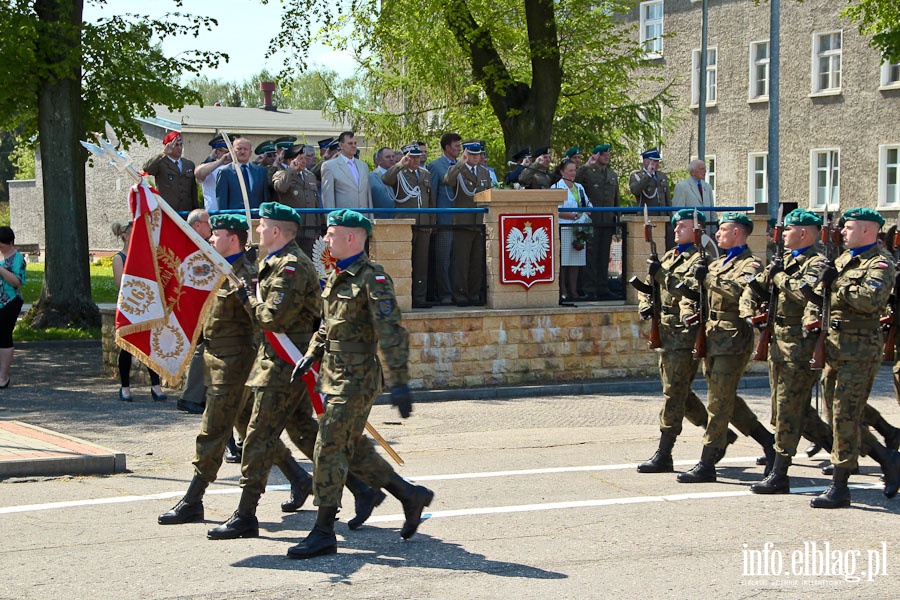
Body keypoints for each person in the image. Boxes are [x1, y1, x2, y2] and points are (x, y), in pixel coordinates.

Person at [207, 202, 383, 540]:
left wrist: (248, 298)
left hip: (283, 364)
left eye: (261, 227)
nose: (256, 231)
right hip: (281, 361)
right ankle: (362, 488)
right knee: (303, 431)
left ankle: (246, 515)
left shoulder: (290, 267)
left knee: (259, 437)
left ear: (275, 231)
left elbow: (273, 319)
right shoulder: (273, 263)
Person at [287, 209, 435, 559]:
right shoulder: (338, 276)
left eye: (331, 233)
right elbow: (327, 327)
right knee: (349, 448)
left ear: (351, 238)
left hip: (356, 379)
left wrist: (400, 382)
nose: (325, 239)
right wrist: (311, 354)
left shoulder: (373, 279)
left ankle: (323, 531)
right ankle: (408, 495)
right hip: (334, 375)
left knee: (329, 448)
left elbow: (391, 332)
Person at [158, 214, 313, 525]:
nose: (211, 240)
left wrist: (256, 366)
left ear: (233, 239)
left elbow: (261, 324)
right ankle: (298, 476)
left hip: (235, 365)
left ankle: (193, 499)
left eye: (217, 235)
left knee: (214, 430)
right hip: (215, 360)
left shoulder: (247, 275)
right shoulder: (214, 269)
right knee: (246, 429)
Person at [805, 208, 900, 508]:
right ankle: (887, 458)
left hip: (859, 350)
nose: (843, 232)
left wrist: (837, 283)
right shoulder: (844, 259)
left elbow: (869, 301)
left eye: (849, 227)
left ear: (867, 231)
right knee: (838, 415)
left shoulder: (882, 264)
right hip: (834, 346)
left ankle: (840, 485)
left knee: (845, 415)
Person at [636, 210, 739, 473]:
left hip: (684, 332)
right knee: (677, 390)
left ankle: (664, 452)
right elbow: (650, 287)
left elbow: (688, 289)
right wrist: (646, 303)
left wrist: (661, 275)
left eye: (683, 226)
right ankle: (718, 433)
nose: (677, 230)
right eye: (675, 226)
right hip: (665, 330)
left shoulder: (700, 260)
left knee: (674, 392)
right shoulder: (669, 257)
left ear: (696, 231)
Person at [677, 213, 776, 484]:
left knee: (718, 401)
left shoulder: (751, 264)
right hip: (712, 337)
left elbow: (742, 292)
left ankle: (708, 459)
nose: (717, 234)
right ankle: (769, 442)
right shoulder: (719, 263)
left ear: (737, 233)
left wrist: (708, 279)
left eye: (722, 230)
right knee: (725, 398)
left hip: (733, 338)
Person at [745, 209, 834, 494]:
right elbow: (755, 288)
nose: (783, 234)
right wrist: (750, 307)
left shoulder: (817, 263)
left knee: (787, 409)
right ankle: (864, 453)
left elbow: (802, 292)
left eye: (788, 230)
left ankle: (780, 471)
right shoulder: (784, 262)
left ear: (804, 233)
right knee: (790, 410)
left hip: (800, 343)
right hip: (778, 341)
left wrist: (780, 277)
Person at [111, 221, 166, 402]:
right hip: (129, 307)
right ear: (126, 236)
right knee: (127, 348)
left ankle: (155, 385)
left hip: (147, 306)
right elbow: (121, 284)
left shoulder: (146, 255)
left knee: (150, 346)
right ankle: (125, 387)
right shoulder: (119, 258)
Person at [383, 143, 434, 308]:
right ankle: (403, 297)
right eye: (412, 157)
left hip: (423, 224)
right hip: (405, 224)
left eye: (418, 157)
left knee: (421, 263)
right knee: (404, 262)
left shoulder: (425, 174)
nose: (416, 160)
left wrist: (431, 222)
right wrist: (400, 164)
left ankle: (420, 298)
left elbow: (431, 201)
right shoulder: (399, 173)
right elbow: (386, 179)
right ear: (406, 157)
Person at [444, 141, 492, 306]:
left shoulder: (485, 172)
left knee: (477, 262)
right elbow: (448, 181)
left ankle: (474, 294)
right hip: (463, 222)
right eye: (471, 154)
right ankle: (461, 295)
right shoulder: (459, 170)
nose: (475, 157)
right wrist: (460, 162)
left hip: (479, 222)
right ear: (466, 154)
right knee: (462, 262)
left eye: (477, 154)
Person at [176, 209, 213, 415]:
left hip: (204, 303)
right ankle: (190, 397)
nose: (211, 227)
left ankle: (198, 396)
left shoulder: (202, 245)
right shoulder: (189, 245)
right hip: (194, 305)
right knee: (203, 348)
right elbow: (195, 272)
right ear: (197, 225)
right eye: (207, 223)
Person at [575, 144, 620, 300]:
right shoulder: (587, 173)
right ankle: (589, 288)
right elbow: (574, 181)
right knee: (591, 256)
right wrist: (587, 165)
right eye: (603, 154)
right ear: (595, 156)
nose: (606, 157)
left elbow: (616, 200)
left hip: (607, 221)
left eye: (608, 154)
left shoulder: (612, 174)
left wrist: (616, 219)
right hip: (592, 221)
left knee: (603, 255)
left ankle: (603, 286)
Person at [427, 132, 463, 305]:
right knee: (443, 259)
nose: (459, 150)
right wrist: (433, 219)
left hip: (460, 219)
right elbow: (432, 193)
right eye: (456, 147)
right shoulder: (435, 166)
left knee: (458, 259)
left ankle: (458, 291)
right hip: (444, 220)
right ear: (447, 148)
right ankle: (444, 293)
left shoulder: (463, 165)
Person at [272, 145, 323, 258]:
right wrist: (291, 170)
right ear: (291, 160)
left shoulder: (310, 176)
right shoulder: (281, 174)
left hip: (310, 229)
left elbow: (316, 203)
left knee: (310, 264)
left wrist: (318, 226)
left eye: (304, 158)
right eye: (300, 159)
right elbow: (281, 187)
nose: (304, 161)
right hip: (292, 230)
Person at [552, 159, 590, 302]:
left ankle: (574, 290)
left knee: (575, 260)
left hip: (579, 228)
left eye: (574, 170)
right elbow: (555, 209)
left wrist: (586, 213)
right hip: (565, 226)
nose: (573, 173)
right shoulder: (556, 187)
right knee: (563, 260)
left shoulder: (579, 187)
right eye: (570, 170)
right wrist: (574, 215)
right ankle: (563, 290)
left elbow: (587, 204)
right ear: (562, 172)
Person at [143, 131, 198, 213]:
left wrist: (195, 210)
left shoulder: (188, 164)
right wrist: (163, 153)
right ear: (168, 146)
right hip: (168, 212)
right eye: (176, 145)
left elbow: (193, 190)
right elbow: (147, 169)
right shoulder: (161, 163)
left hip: (186, 211)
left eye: (181, 144)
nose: (179, 148)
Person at [0, 226, 25, 389]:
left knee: (4, 336)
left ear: (10, 242)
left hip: (10, 301)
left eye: (2, 244)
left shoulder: (17, 259)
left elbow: (17, 281)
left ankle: (3, 377)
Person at [321, 131, 373, 210]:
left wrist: (371, 217)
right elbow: (328, 199)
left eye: (355, 143)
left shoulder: (363, 166)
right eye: (350, 143)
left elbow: (368, 196)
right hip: (343, 218)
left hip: (363, 217)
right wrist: (331, 220)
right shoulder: (330, 166)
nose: (354, 146)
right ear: (341, 145)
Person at [215, 138, 269, 210]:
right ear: (233, 152)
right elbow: (222, 200)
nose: (242, 152)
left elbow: (265, 198)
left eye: (245, 149)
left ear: (250, 153)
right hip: (235, 218)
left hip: (256, 217)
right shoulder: (225, 172)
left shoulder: (261, 171)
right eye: (239, 149)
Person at [195, 134, 234, 211]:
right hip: (214, 212)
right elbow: (198, 173)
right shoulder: (211, 167)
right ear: (217, 151)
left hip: (234, 211)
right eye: (226, 151)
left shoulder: (237, 167)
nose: (230, 154)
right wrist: (220, 161)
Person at [369, 147, 396, 219]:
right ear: (378, 160)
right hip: (380, 219)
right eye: (387, 157)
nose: (391, 159)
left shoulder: (399, 175)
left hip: (398, 219)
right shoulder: (371, 177)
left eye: (393, 156)